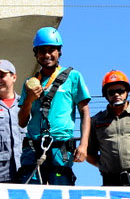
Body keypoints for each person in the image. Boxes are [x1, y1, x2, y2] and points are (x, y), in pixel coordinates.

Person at [17, 27, 91, 185]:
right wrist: (29, 99)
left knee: (61, 194)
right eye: (42, 51)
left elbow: (84, 112)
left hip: (60, 146)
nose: (47, 55)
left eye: (52, 50)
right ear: (36, 54)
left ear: (59, 52)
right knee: (31, 194)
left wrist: (84, 145)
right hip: (33, 146)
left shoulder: (73, 77)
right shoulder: (29, 83)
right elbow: (22, 122)